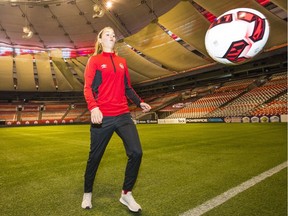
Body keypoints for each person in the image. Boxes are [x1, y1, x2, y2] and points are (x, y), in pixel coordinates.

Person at [81, 26, 151, 213]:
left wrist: (139, 101)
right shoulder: (94, 60)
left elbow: (127, 87)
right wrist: (93, 107)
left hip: (123, 115)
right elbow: (87, 88)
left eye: (113, 34)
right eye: (107, 34)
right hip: (102, 117)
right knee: (94, 158)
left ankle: (126, 194)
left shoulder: (122, 61)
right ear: (100, 39)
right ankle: (87, 192)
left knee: (136, 152)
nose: (111, 36)